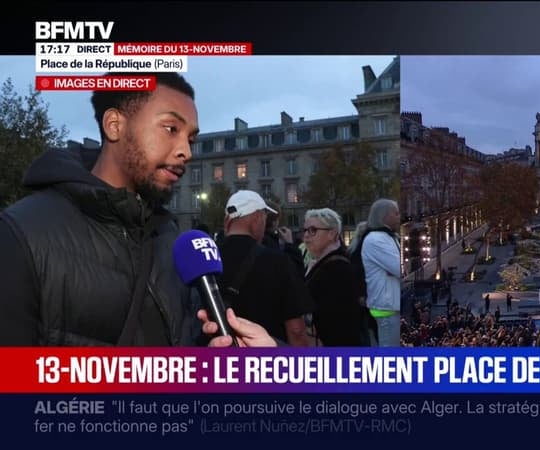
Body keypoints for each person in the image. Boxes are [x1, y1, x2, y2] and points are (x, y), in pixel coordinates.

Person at [0, 72, 240, 346]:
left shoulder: (169, 238)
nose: (186, 151)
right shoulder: (20, 237)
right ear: (114, 125)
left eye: (191, 139)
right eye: (171, 129)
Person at [219, 190, 313, 346]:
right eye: (264, 218)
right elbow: (296, 329)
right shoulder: (278, 261)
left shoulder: (208, 258)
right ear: (257, 218)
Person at [302, 208, 367, 346]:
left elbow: (340, 322)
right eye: (305, 230)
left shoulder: (338, 268)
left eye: (313, 230)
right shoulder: (322, 263)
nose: (306, 235)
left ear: (332, 234)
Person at [360, 199, 402, 346]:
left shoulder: (388, 237)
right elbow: (400, 268)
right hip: (387, 307)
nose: (399, 216)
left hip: (391, 305)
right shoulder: (375, 239)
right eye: (396, 213)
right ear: (384, 216)